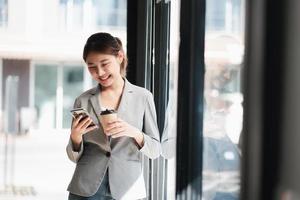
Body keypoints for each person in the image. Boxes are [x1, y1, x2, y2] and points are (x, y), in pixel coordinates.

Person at [66, 32, 161, 200]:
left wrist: (134, 132)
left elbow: (155, 150)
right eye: (92, 67)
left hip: (128, 189)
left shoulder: (143, 97)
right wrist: (75, 137)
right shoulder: (83, 100)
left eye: (104, 64)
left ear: (120, 57)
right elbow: (74, 157)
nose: (100, 72)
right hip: (86, 189)